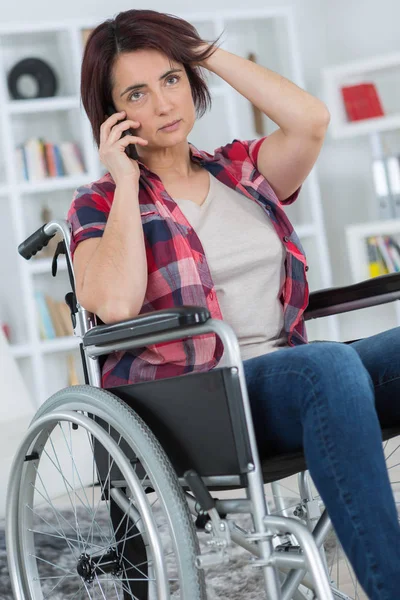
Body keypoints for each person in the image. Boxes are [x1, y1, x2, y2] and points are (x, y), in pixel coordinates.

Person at [67, 9, 400, 600]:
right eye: (138, 93)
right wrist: (123, 181)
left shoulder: (241, 169)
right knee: (329, 365)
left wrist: (202, 51)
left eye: (173, 79)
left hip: (290, 378)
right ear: (113, 116)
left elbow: (311, 120)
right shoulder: (97, 207)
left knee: (338, 363)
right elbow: (114, 304)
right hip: (198, 402)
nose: (165, 104)